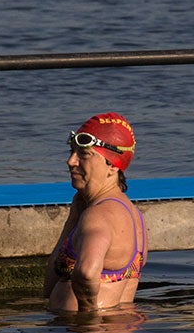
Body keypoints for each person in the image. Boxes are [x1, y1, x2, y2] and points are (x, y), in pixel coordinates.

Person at [45, 113, 146, 313]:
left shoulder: (99, 216)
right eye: (72, 151)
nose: (71, 161)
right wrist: (73, 220)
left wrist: (89, 320)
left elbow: (86, 272)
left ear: (112, 165)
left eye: (84, 154)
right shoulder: (134, 215)